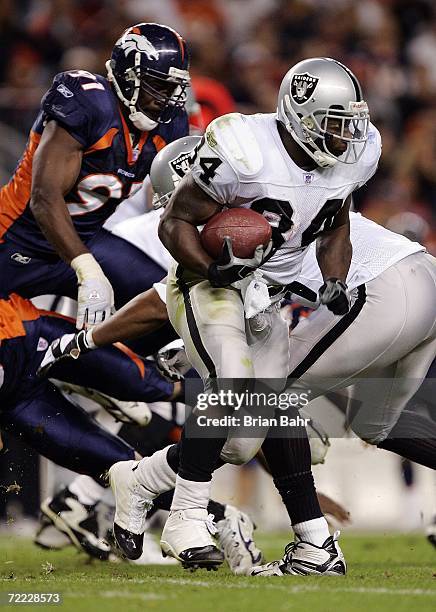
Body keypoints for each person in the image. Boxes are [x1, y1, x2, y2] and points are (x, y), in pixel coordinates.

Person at [0, 22, 189, 341]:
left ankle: (188, 385)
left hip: (86, 241)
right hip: (18, 243)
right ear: (130, 76)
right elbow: (44, 197)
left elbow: (174, 204)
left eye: (174, 88)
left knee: (174, 306)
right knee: (22, 349)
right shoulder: (89, 101)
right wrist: (87, 270)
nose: (167, 99)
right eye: (160, 86)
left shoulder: (169, 126)